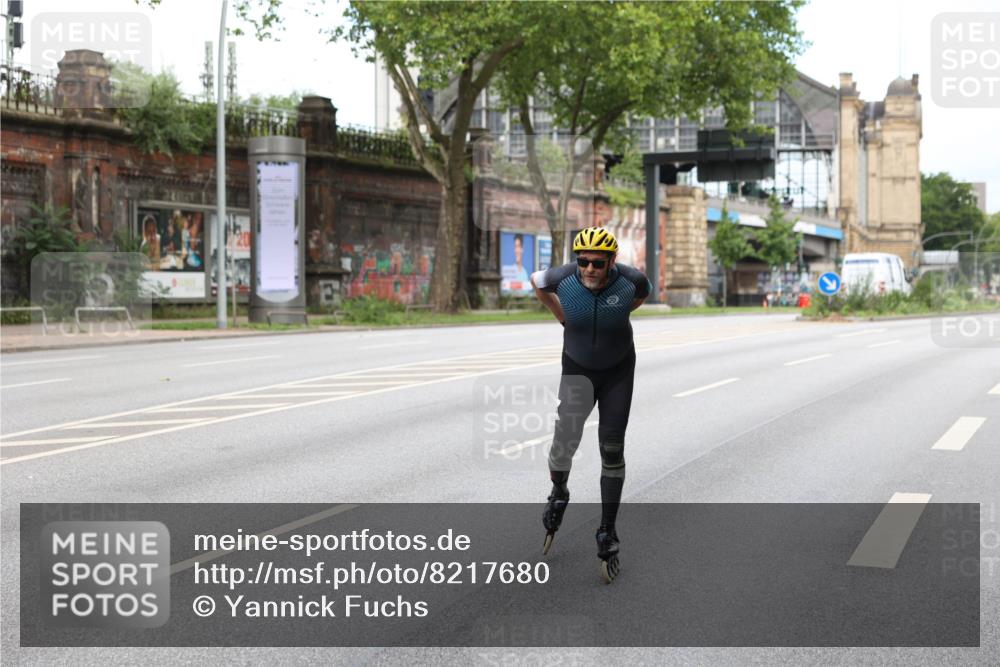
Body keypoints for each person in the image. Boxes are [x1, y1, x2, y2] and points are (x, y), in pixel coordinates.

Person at [530, 226, 651, 583]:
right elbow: (537, 282)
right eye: (583, 261)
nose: (589, 269)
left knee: (612, 449)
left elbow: (642, 294)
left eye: (597, 263)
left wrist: (618, 315)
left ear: (612, 261)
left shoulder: (631, 281)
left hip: (617, 372)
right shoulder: (564, 278)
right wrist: (562, 317)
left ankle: (607, 531)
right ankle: (559, 491)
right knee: (562, 445)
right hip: (578, 369)